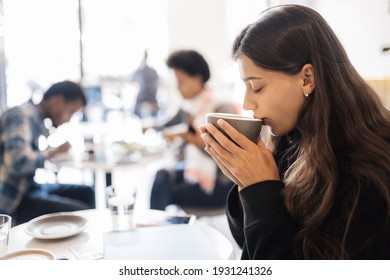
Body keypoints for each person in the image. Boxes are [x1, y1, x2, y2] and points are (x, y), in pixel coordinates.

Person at [199, 4, 390, 259]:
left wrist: (261, 188)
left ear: (307, 78)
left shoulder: (366, 167)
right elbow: (250, 243)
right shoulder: (292, 139)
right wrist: (246, 182)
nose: (247, 104)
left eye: (256, 87)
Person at [150, 50, 238, 211]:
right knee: (162, 175)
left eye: (180, 81)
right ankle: (156, 226)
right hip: (199, 172)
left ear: (197, 79)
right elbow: (166, 123)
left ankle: (156, 226)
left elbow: (225, 153)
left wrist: (186, 137)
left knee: (164, 187)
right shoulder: (191, 106)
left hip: (221, 184)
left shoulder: (219, 107)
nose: (177, 88)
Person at [0, 81, 95, 225]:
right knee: (80, 211)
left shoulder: (35, 118)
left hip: (30, 187)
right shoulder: (22, 115)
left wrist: (52, 153)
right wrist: (51, 153)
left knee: (86, 192)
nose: (68, 119)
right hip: (13, 199)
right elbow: (18, 163)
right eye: (70, 112)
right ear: (57, 101)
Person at [131, 50, 160, 119]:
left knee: (136, 113)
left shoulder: (140, 70)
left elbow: (133, 81)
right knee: (155, 113)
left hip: (143, 97)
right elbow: (157, 83)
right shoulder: (152, 71)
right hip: (151, 97)